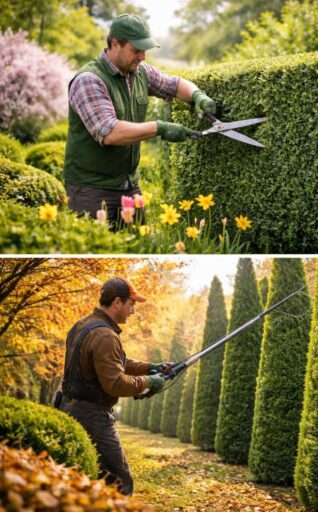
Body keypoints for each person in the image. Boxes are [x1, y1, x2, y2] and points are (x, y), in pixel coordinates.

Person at [63, 13, 217, 225]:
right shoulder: (89, 80)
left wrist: (198, 95)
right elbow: (109, 132)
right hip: (91, 189)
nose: (142, 56)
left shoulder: (139, 72)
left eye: (145, 50)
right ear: (115, 44)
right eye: (136, 50)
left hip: (128, 186)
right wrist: (159, 127)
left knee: (138, 244)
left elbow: (174, 84)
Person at [57, 277, 172, 496]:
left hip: (70, 407)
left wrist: (150, 367)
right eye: (131, 304)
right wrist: (150, 382)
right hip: (93, 416)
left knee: (88, 480)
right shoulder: (105, 335)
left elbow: (112, 363)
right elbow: (115, 383)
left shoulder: (83, 325)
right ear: (117, 302)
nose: (133, 311)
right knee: (119, 483)